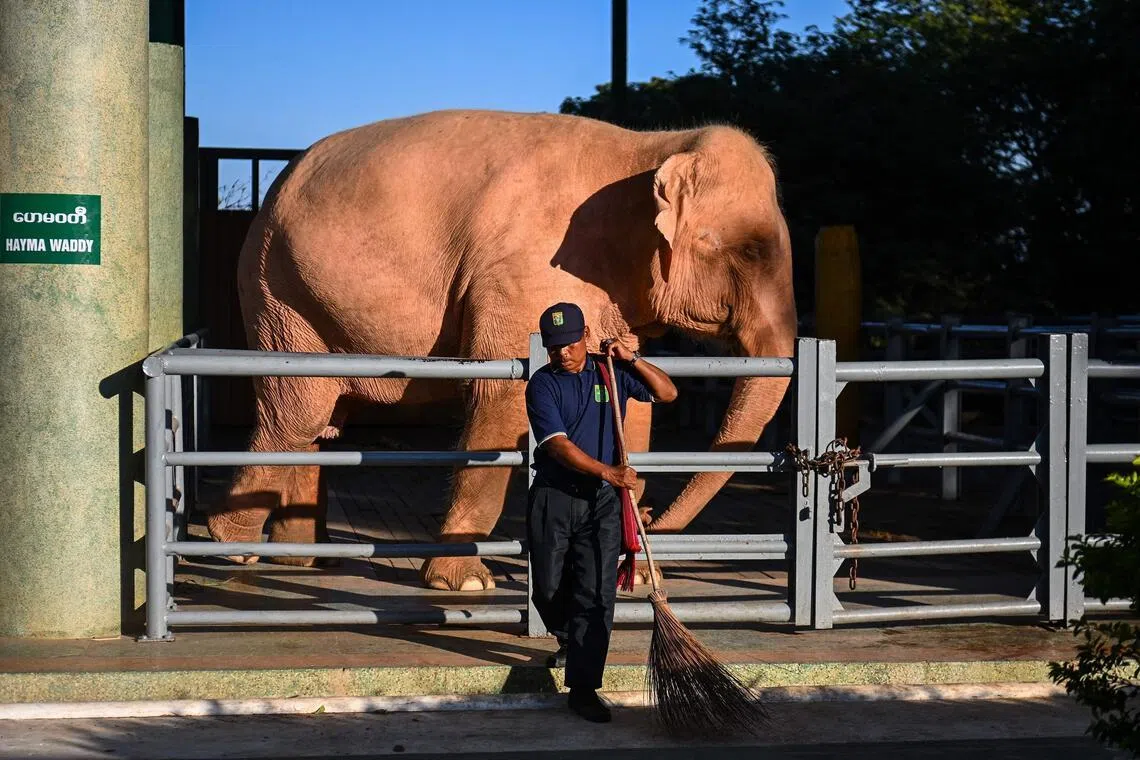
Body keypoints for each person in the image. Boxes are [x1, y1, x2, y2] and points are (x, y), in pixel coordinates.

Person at [525, 301, 678, 723]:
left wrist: (633, 359)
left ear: (585, 335)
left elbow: (667, 393)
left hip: (602, 504)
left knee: (597, 595)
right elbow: (556, 444)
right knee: (548, 590)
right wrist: (610, 471)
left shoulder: (609, 372)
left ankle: (584, 688)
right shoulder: (541, 384)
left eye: (570, 344)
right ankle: (571, 638)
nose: (562, 353)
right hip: (555, 495)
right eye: (554, 346)